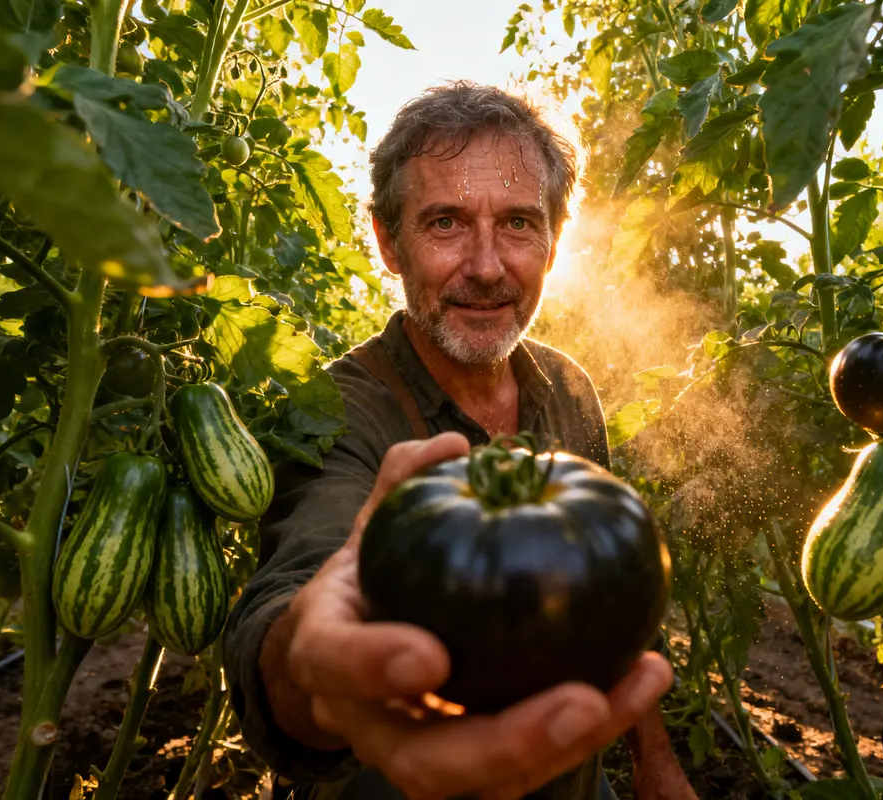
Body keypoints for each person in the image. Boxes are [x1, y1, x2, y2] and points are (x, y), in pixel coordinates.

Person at [224, 80, 697, 800]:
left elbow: (614, 597)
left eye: (518, 223)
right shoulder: (335, 412)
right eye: (445, 222)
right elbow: (301, 589)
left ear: (554, 243)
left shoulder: (569, 390)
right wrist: (310, 674)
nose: (486, 266)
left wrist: (655, 762)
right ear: (389, 242)